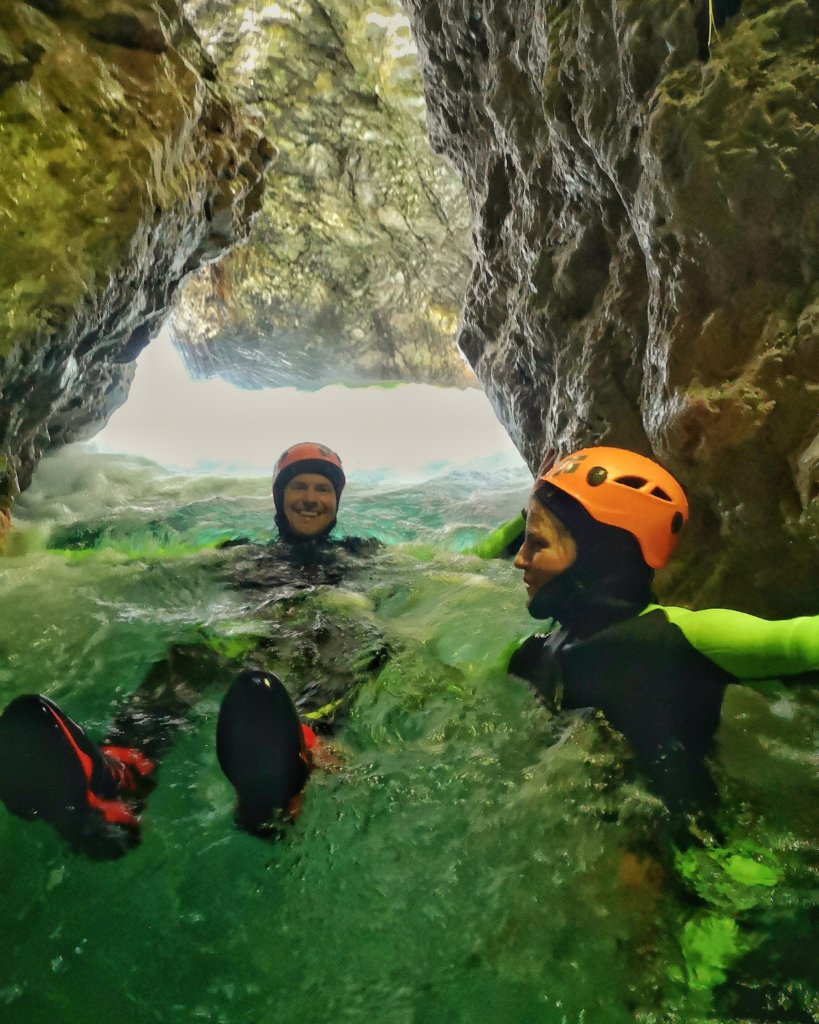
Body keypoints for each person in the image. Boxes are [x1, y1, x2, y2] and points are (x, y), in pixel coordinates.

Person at [0, 443, 381, 856]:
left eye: (323, 488)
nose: (310, 497)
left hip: (320, 643)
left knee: (343, 636)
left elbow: (443, 566)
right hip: (258, 643)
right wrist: (24, 542)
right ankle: (120, 779)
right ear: (280, 496)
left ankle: (301, 753)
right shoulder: (242, 553)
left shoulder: (362, 554)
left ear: (336, 500)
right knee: (190, 656)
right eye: (299, 486)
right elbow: (126, 557)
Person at [508, 445, 819, 827]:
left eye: (537, 543)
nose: (518, 559)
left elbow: (798, 641)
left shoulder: (678, 636)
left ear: (599, 559)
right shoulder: (540, 650)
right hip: (592, 833)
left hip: (705, 860)